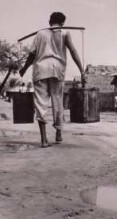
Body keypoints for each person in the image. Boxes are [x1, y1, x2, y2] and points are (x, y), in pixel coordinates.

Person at [19, 12, 86, 147]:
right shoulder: (65, 33)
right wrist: (82, 70)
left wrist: (24, 68)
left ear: (50, 22)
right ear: (62, 23)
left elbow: (32, 54)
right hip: (57, 71)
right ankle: (59, 132)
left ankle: (43, 139)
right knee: (57, 101)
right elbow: (73, 52)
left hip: (40, 71)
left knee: (41, 104)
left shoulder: (41, 33)